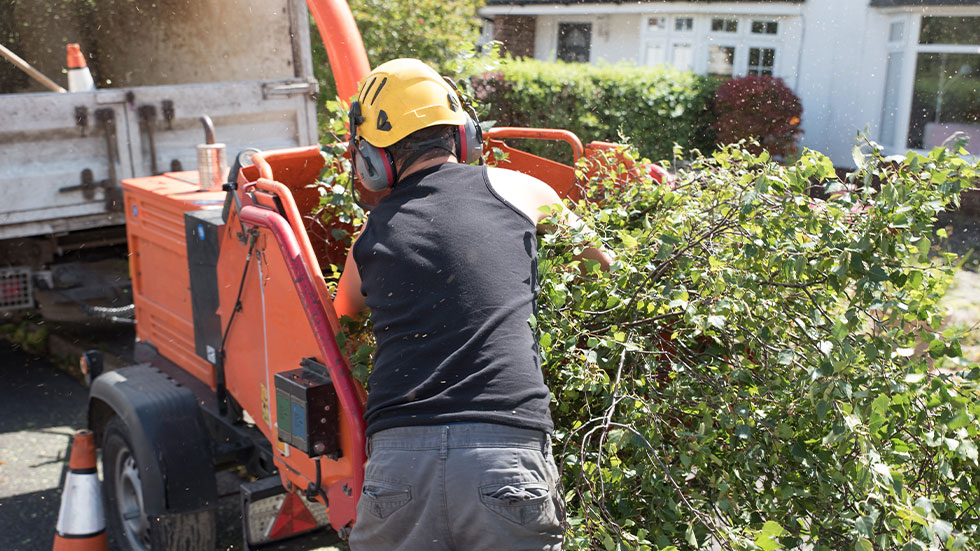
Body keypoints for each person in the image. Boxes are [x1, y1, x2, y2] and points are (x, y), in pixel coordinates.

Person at [333, 58, 612, 551]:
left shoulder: (369, 237)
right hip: (504, 459)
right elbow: (605, 264)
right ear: (463, 135)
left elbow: (346, 315)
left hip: (400, 466)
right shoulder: (519, 189)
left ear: (373, 160)